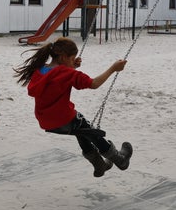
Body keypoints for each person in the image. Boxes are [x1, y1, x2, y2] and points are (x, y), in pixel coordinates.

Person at [14, 37, 133, 178]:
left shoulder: (40, 71)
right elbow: (94, 84)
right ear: (63, 57)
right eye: (72, 58)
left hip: (45, 121)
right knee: (90, 131)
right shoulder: (67, 73)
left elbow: (55, 78)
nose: (73, 61)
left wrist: (71, 67)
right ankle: (120, 160)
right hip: (63, 119)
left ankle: (99, 164)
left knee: (81, 130)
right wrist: (113, 69)